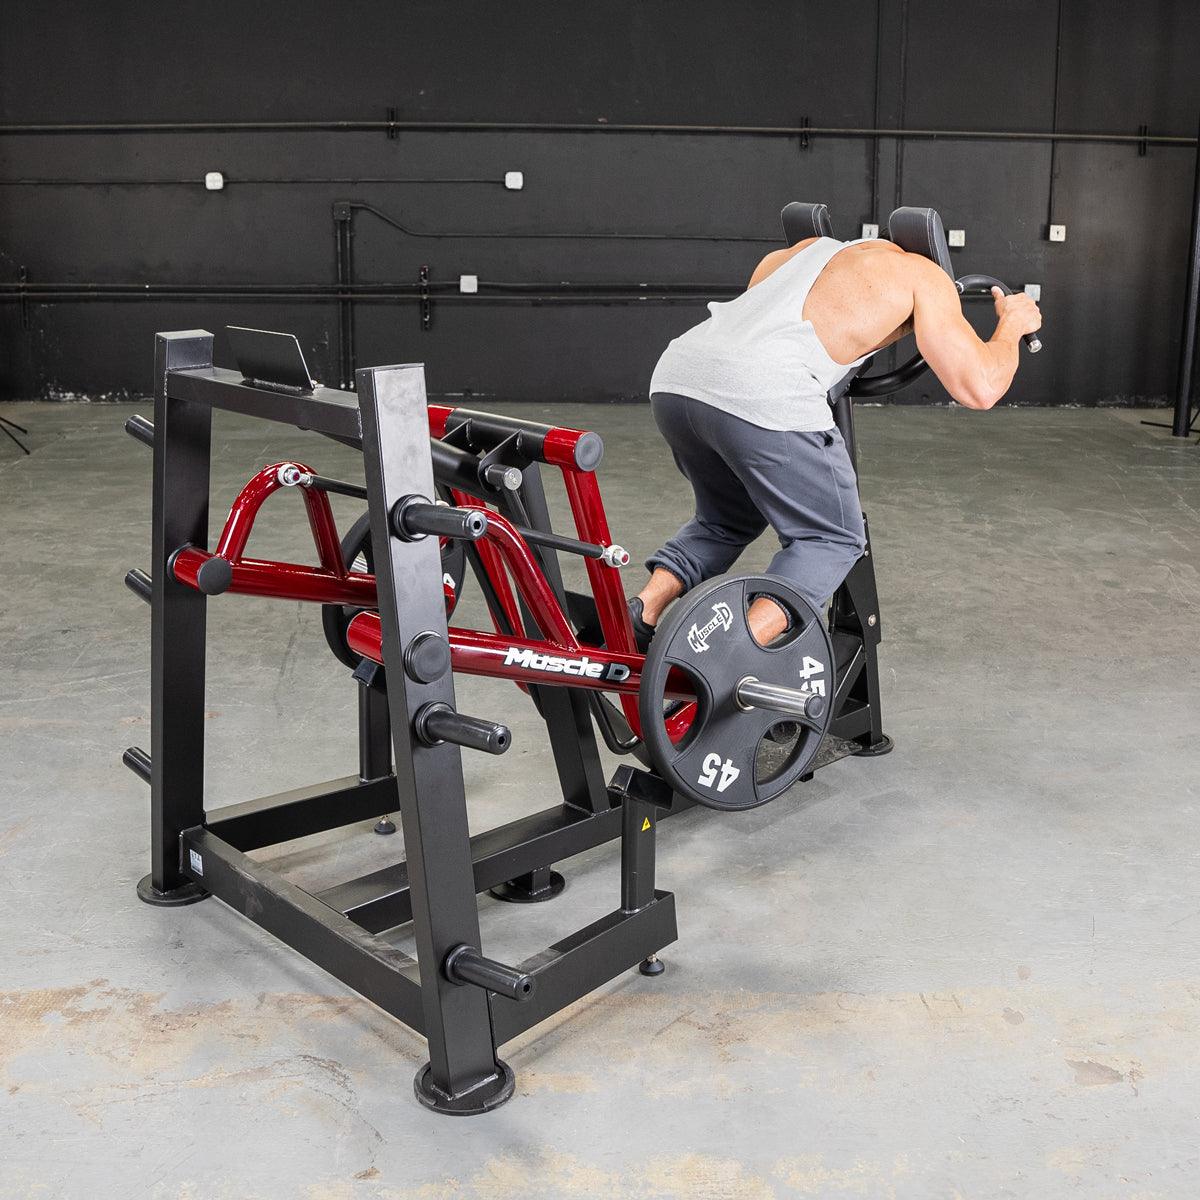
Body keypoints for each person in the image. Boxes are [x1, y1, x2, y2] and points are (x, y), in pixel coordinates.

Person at [631, 230, 1042, 648]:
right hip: (761, 390)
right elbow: (980, 388)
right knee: (831, 539)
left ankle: (641, 613)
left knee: (725, 518)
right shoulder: (922, 274)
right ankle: (730, 654)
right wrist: (1011, 326)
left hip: (677, 378)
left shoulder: (799, 252)